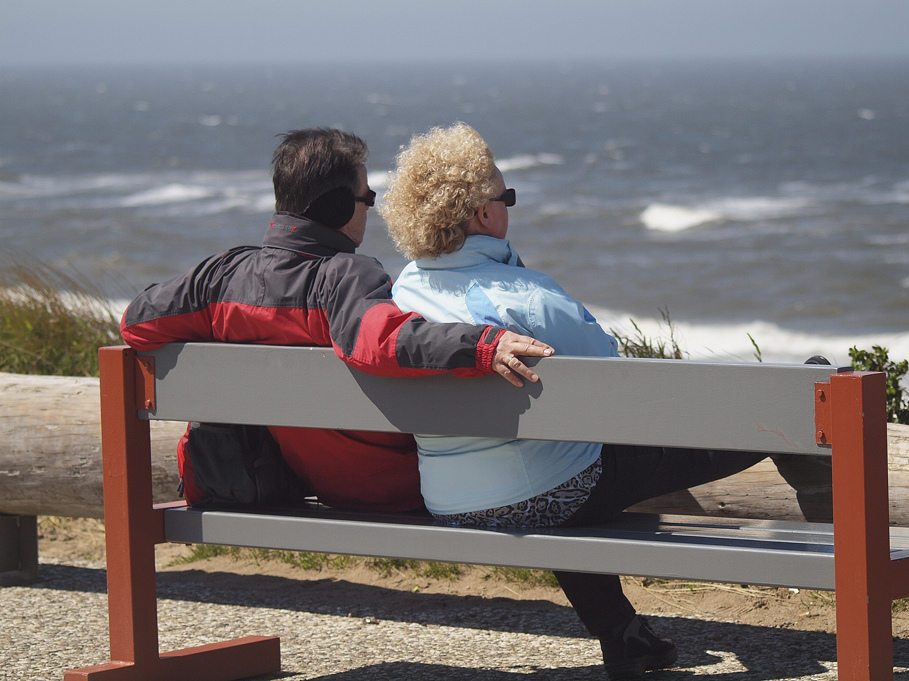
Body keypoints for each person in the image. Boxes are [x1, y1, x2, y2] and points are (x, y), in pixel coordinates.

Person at [380, 123, 799, 679]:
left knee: (548, 470)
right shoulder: (530, 299)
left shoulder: (403, 291)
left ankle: (628, 640)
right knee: (665, 456)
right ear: (483, 215)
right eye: (505, 197)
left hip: (451, 502)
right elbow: (621, 386)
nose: (509, 207)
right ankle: (803, 412)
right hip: (543, 496)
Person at [120, 128, 551, 514]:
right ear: (343, 207)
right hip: (395, 488)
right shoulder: (346, 275)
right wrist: (482, 345)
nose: (370, 209)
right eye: (368, 199)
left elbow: (135, 323)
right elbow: (379, 342)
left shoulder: (222, 277)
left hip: (310, 480)